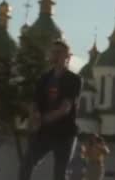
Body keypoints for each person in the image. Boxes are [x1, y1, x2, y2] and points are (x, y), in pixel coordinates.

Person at [21, 40, 82, 180]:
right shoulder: (43, 79)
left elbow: (65, 108)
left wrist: (42, 119)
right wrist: (34, 117)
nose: (54, 55)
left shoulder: (73, 79)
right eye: (53, 52)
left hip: (64, 133)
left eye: (59, 52)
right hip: (44, 132)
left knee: (60, 173)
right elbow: (35, 103)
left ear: (67, 56)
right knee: (26, 164)